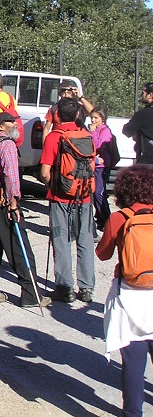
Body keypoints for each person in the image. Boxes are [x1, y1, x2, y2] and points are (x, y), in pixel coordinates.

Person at [95, 164, 153, 417]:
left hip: (130, 296)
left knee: (133, 363)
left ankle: (133, 413)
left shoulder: (120, 218)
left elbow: (103, 254)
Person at [0, 112, 51, 308]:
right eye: (11, 121)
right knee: (18, 247)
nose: (16, 124)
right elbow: (11, 176)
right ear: (1, 126)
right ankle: (31, 295)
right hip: (3, 202)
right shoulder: (7, 144)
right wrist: (14, 203)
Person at [40, 97, 96, 303]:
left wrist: (50, 184)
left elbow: (45, 171)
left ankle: (65, 288)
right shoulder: (86, 136)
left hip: (60, 195)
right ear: (78, 114)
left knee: (61, 240)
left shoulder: (54, 137)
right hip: (85, 194)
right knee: (85, 239)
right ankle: (87, 287)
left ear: (57, 115)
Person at [90, 107, 116, 230]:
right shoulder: (95, 130)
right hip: (95, 164)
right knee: (94, 192)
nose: (93, 120)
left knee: (99, 192)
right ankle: (100, 217)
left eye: (96, 118)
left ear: (102, 118)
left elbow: (97, 145)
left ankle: (106, 217)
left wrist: (93, 132)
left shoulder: (104, 131)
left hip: (102, 166)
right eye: (92, 117)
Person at [123, 82, 153, 165]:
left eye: (143, 93)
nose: (141, 95)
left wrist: (136, 132)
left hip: (147, 161)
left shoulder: (143, 114)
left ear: (150, 95)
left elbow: (127, 131)